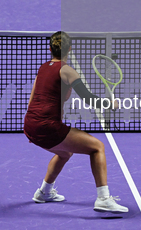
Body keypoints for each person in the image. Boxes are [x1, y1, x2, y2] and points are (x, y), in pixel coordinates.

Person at [23, 31, 128, 213]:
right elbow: (88, 98)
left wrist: (34, 128)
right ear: (69, 50)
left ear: (50, 49)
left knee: (65, 153)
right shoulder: (68, 71)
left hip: (30, 125)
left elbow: (33, 100)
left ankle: (44, 192)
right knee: (97, 147)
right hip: (47, 126)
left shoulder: (42, 69)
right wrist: (110, 103)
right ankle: (103, 198)